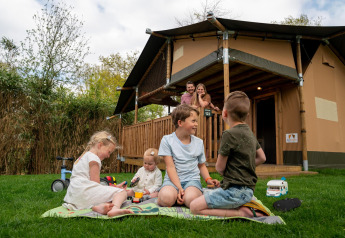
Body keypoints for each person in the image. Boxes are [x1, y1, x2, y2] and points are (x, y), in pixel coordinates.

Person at [190, 91, 267, 218]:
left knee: (194, 207)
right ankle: (240, 206)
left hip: (234, 192)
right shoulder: (249, 132)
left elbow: (220, 168)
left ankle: (240, 213)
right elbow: (262, 157)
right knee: (207, 193)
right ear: (247, 115)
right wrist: (243, 166)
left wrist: (228, 173)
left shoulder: (229, 134)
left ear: (224, 113)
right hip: (248, 190)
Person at [157, 104, 220, 207]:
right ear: (180, 122)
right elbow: (170, 167)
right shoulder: (167, 140)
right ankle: (171, 195)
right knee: (166, 199)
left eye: (196, 121)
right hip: (172, 181)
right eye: (193, 121)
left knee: (190, 199)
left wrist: (208, 180)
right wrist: (179, 188)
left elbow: (201, 165)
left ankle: (182, 196)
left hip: (192, 181)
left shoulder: (199, 142)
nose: (196, 124)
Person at [63, 131, 133, 217]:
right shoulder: (94, 159)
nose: (108, 156)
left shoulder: (82, 157)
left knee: (113, 196)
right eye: (109, 152)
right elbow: (95, 184)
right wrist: (114, 189)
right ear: (100, 145)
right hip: (84, 194)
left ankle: (98, 207)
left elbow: (91, 185)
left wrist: (112, 188)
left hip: (73, 196)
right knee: (121, 193)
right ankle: (115, 209)